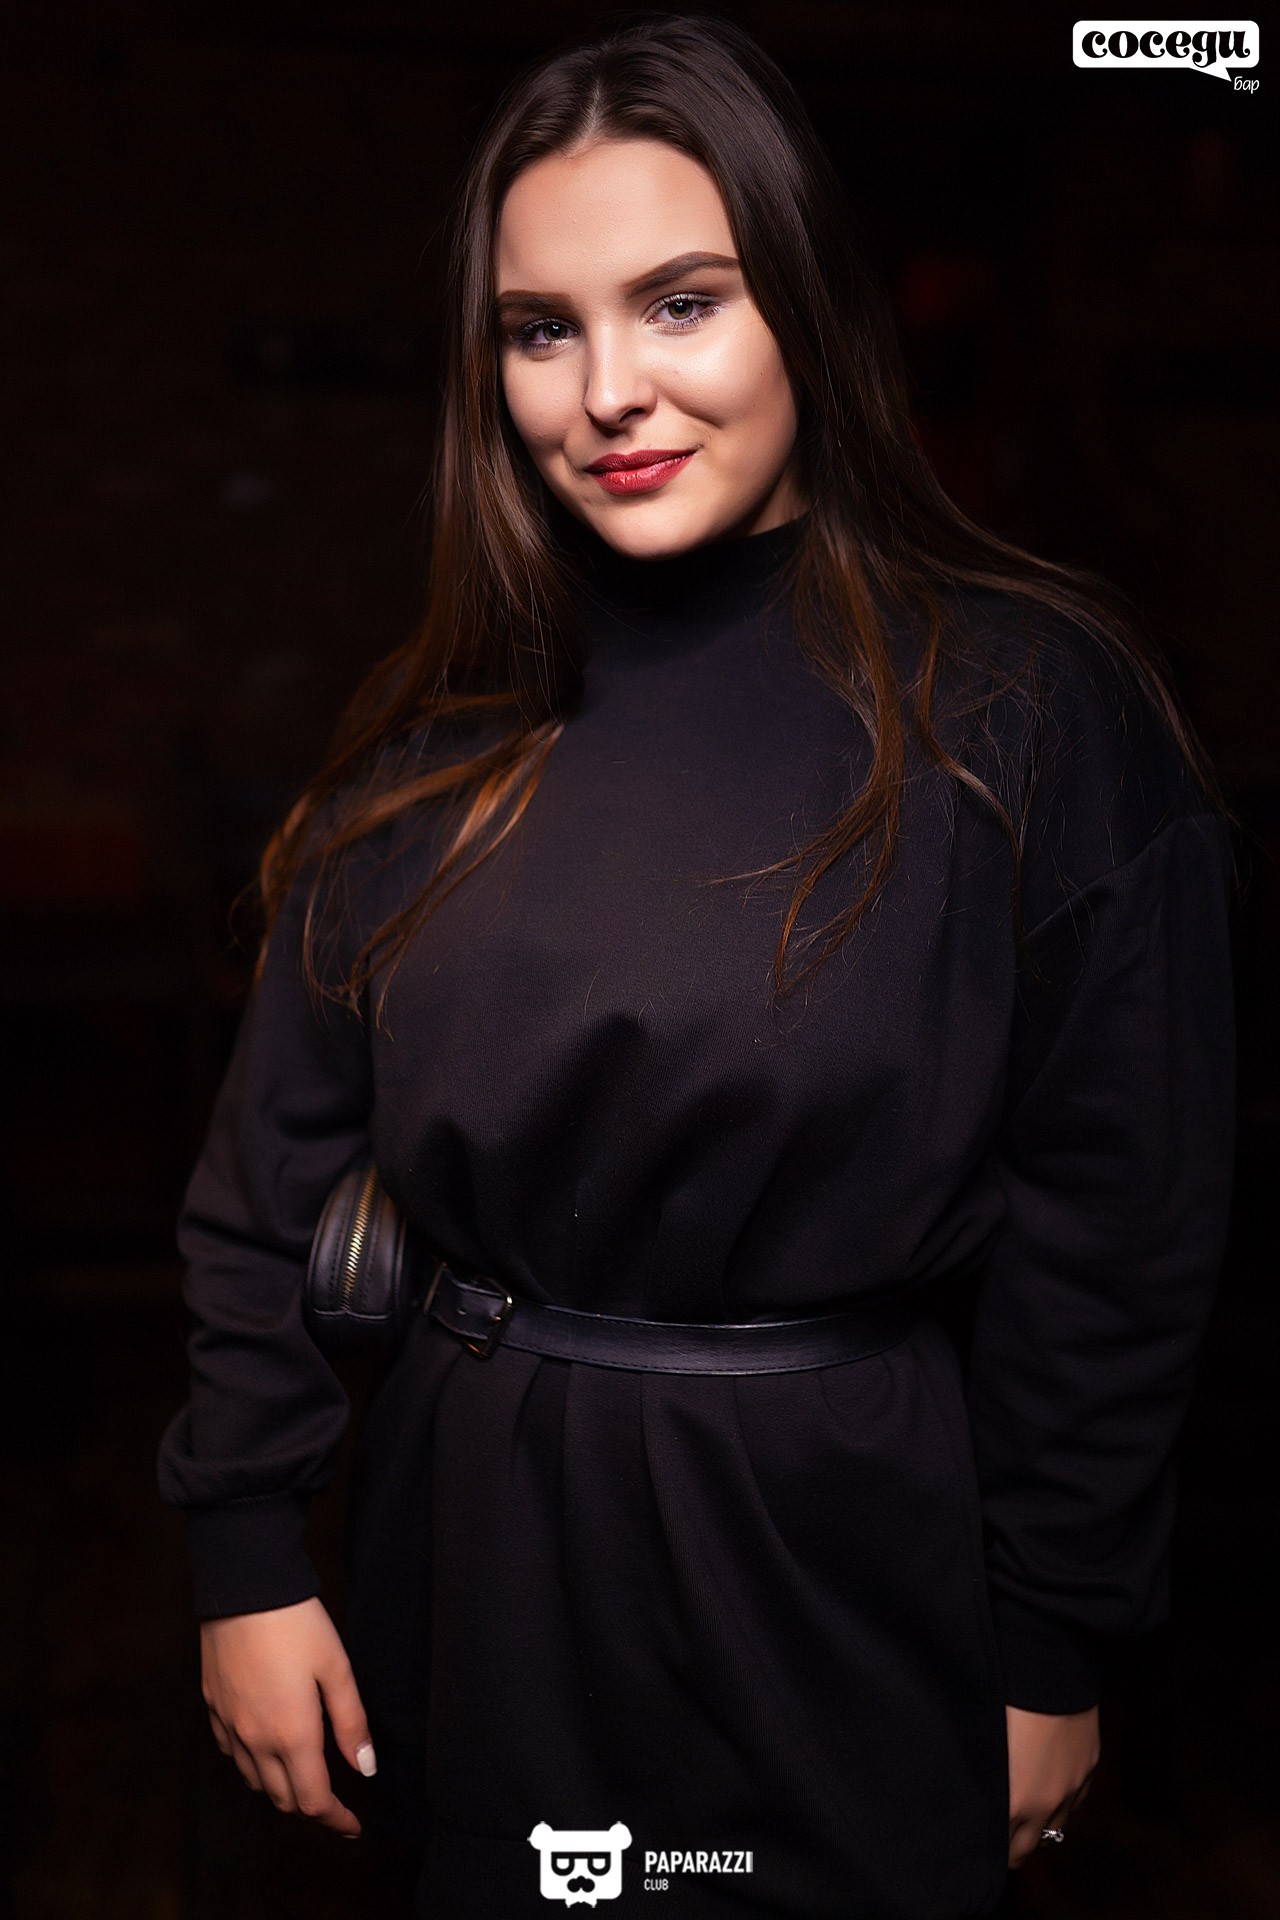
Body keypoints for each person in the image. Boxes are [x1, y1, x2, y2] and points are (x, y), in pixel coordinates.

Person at [155, 14, 1238, 1918]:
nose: (608, 392)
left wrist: (1051, 1635)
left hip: (843, 1561)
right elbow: (264, 1188)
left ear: (804, 303)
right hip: (472, 1551)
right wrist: (247, 1553)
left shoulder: (1027, 708)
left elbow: (1119, 1226)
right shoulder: (436, 738)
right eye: (539, 328)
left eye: (681, 303)